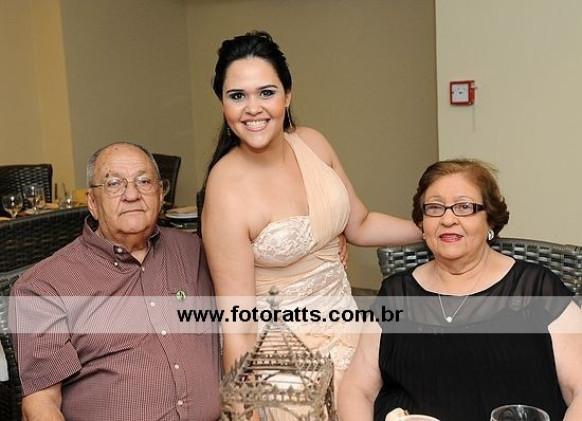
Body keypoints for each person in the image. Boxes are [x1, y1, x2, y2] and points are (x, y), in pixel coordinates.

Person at [198, 30, 422, 393]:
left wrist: (430, 230)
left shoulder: (312, 143)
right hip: (283, 360)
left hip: (348, 330)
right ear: (223, 105)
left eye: (266, 92)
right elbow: (239, 326)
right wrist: (243, 410)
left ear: (287, 95)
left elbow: (360, 224)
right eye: (237, 96)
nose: (252, 108)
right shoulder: (226, 189)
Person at [338, 158, 582, 421]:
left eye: (464, 207)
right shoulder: (396, 293)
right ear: (422, 224)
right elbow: (357, 390)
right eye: (434, 208)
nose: (447, 219)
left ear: (490, 220)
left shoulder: (536, 290)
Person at [10, 142, 221, 421]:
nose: (132, 195)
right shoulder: (45, 287)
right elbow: (40, 404)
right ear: (92, 202)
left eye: (144, 181)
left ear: (160, 193)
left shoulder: (194, 252)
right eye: (113, 184)